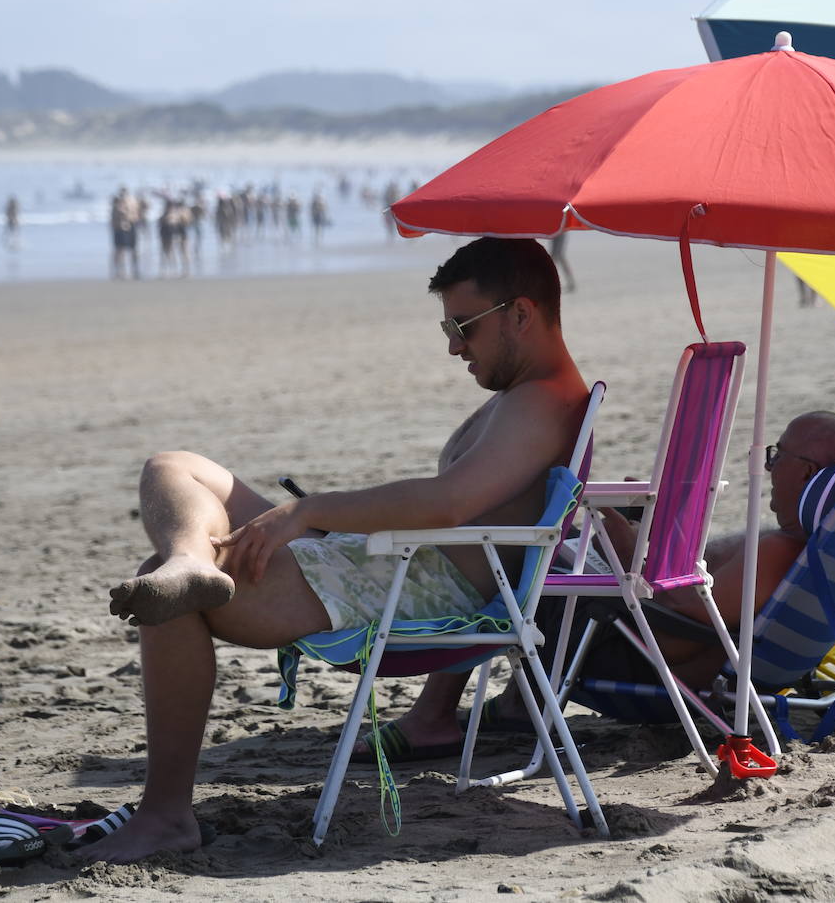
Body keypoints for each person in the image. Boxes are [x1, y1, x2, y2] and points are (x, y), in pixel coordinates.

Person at [80, 237, 587, 862]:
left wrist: (308, 511)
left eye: (463, 326)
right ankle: (190, 556)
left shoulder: (543, 402)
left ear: (520, 314)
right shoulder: (527, 399)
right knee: (176, 468)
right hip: (390, 562)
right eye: (447, 326)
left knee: (164, 592)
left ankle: (164, 816)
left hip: (416, 586)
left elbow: (448, 503)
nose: (453, 345)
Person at [362, 410, 835, 756]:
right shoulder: (800, 550)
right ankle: (522, 702)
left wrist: (627, 546)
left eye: (776, 457)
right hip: (642, 633)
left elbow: (699, 616)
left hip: (638, 651)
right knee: (532, 544)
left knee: (505, 551)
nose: (768, 468)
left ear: (808, 472)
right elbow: (701, 599)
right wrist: (642, 539)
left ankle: (432, 717)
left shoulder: (778, 549)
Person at [111, 187, 140, 280]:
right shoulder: (116, 202)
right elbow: (114, 216)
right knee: (119, 250)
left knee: (133, 250)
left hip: (131, 226)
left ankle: (135, 270)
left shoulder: (132, 201)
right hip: (119, 228)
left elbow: (137, 213)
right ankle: (119, 271)